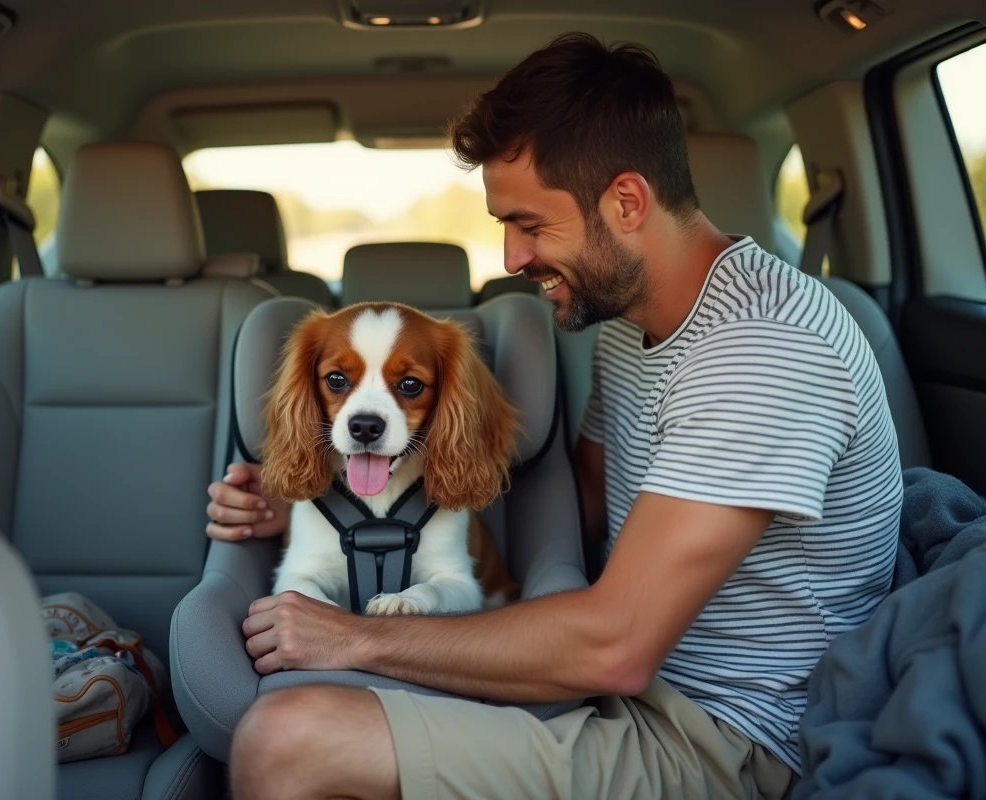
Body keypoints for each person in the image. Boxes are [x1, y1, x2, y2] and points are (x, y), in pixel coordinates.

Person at [204, 32, 903, 800]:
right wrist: (330, 506)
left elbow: (616, 646)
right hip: (632, 686)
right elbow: (583, 507)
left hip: (728, 736)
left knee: (284, 741)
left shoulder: (763, 350)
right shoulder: (633, 325)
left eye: (530, 225)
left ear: (627, 202)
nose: (510, 259)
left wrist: (354, 637)